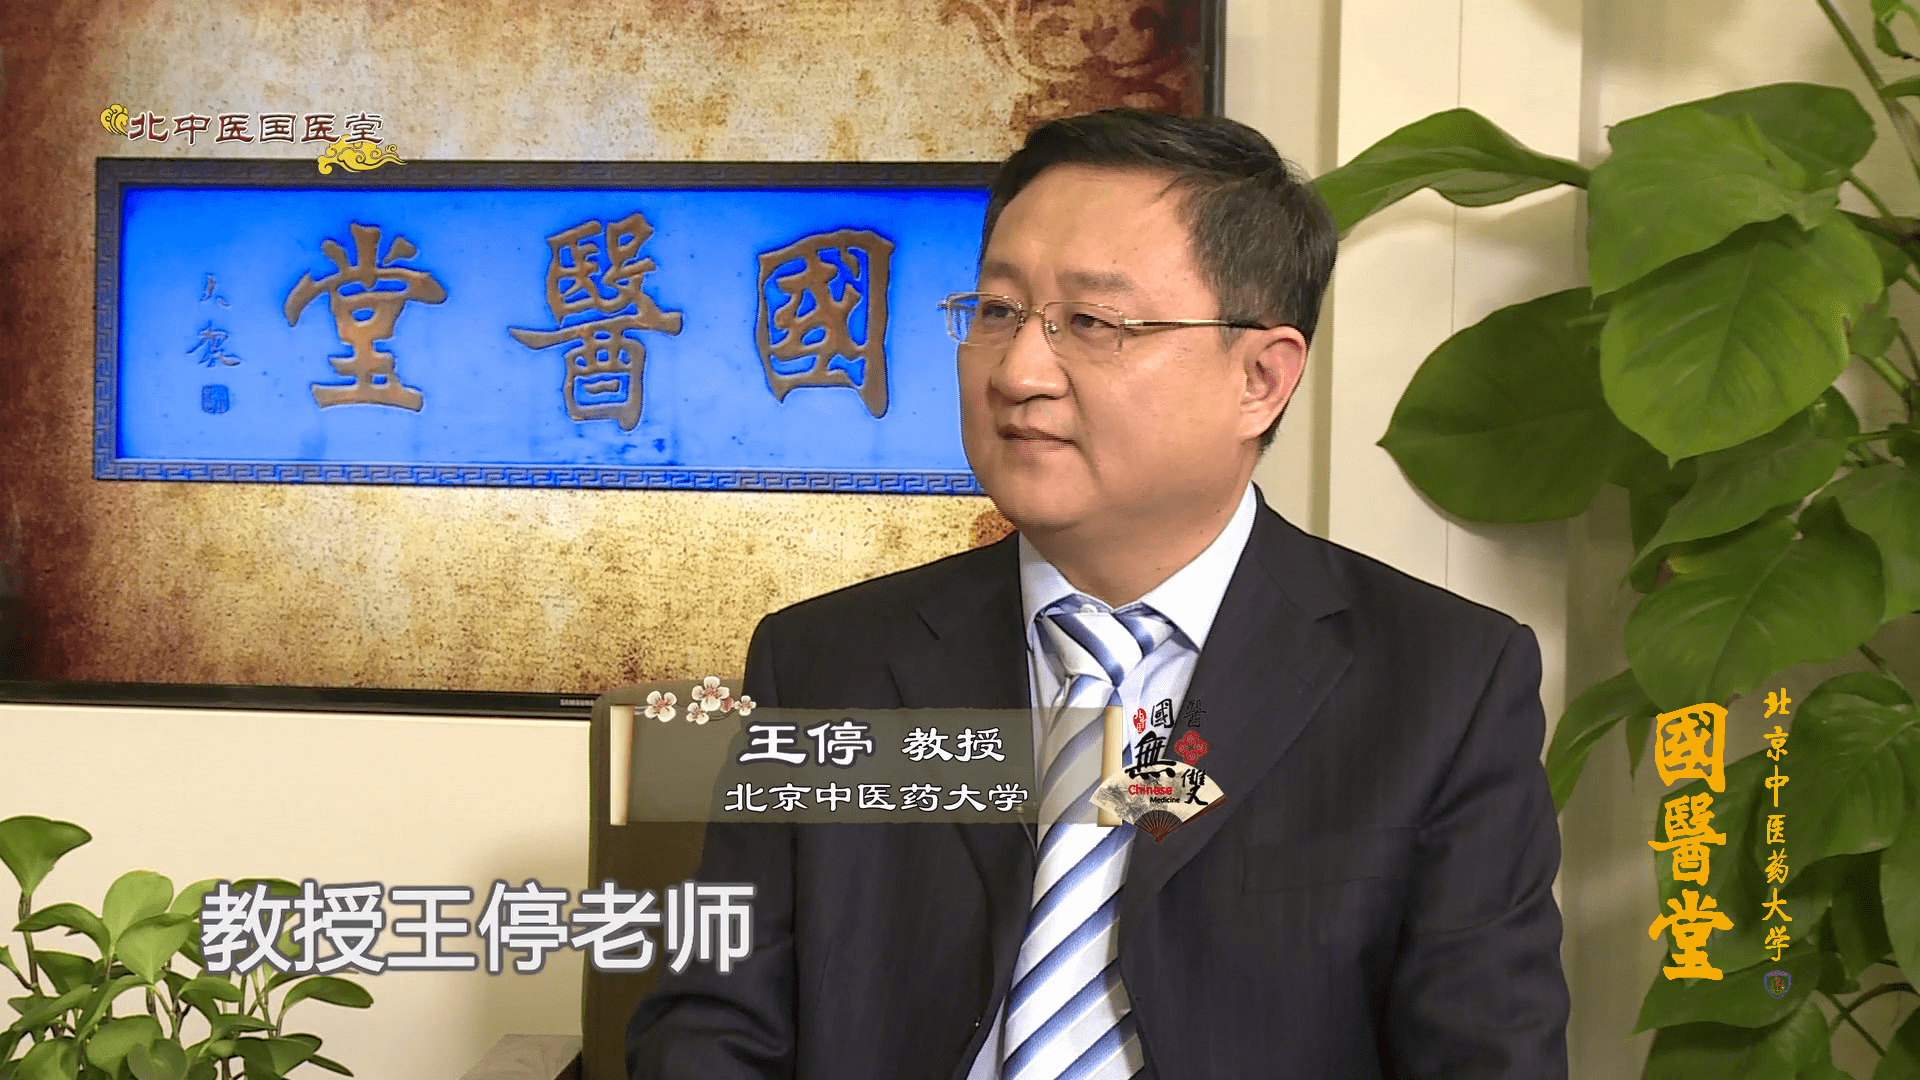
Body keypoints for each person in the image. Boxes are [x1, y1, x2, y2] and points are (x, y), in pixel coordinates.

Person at [627, 107, 1569, 1080]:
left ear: (1260, 377)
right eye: (998, 311)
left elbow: (1487, 1060)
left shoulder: (1441, 684)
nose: (1020, 372)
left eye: (1093, 323)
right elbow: (713, 1024)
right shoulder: (828, 662)